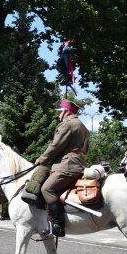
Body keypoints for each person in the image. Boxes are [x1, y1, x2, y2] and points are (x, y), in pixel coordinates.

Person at [36, 97, 90, 237]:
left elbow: (56, 146)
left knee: (47, 188)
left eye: (59, 112)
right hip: (79, 163)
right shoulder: (83, 126)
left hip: (68, 164)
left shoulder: (67, 124)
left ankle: (57, 225)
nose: (58, 115)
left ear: (66, 112)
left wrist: (41, 159)